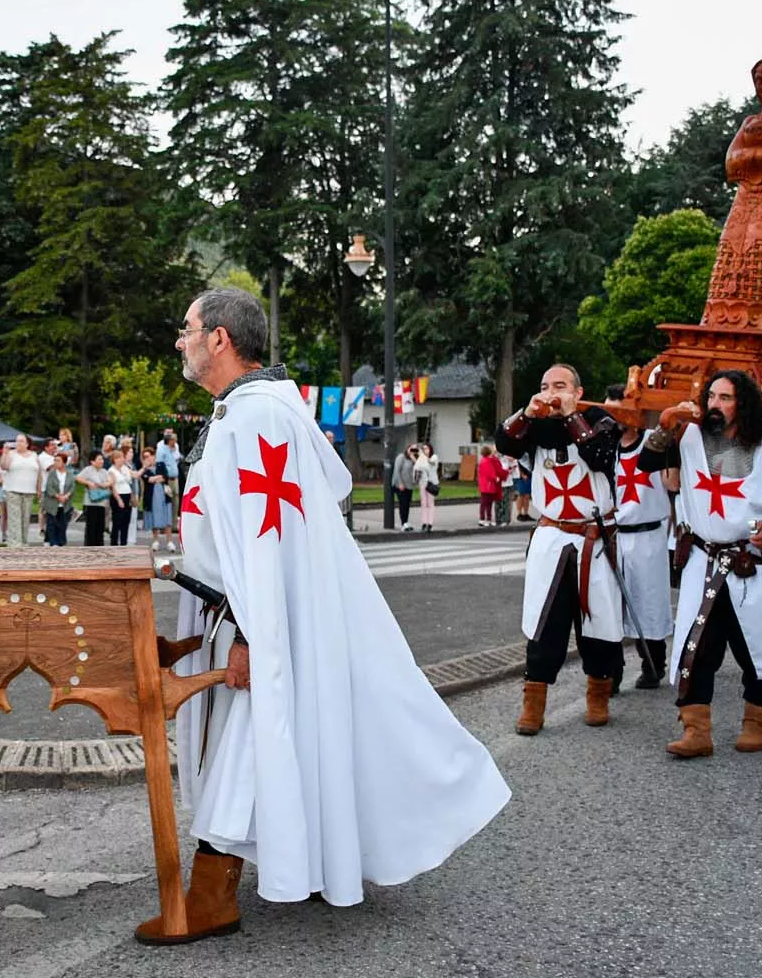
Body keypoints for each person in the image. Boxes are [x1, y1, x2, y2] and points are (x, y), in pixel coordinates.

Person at [151, 287, 508, 944]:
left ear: (221, 339)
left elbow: (263, 545)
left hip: (256, 619)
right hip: (242, 614)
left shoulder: (255, 420)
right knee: (270, 738)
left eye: (189, 328)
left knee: (254, 739)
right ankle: (302, 862)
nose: (182, 339)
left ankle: (212, 893)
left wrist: (255, 638)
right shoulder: (258, 412)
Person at [637, 370, 762, 757]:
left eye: (726, 398)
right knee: (696, 647)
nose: (715, 405)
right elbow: (645, 464)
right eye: (712, 397)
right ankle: (696, 731)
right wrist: (666, 424)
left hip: (749, 563)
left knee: (755, 647)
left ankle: (755, 722)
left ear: (743, 404)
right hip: (703, 560)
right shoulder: (688, 436)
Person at [494, 364, 624, 734]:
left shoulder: (600, 420)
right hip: (552, 537)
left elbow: (600, 457)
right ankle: (534, 702)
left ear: (578, 392)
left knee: (598, 618)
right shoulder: (535, 427)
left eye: (561, 385)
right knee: (545, 621)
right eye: (545, 385)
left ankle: (598, 693)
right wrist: (527, 412)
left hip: (592, 538)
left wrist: (570, 416)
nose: (552, 391)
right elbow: (505, 441)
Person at [604, 385, 674, 690]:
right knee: (610, 604)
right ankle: (612, 673)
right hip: (615, 535)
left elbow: (672, 484)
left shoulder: (653, 443)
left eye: (618, 410)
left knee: (649, 602)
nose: (613, 418)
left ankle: (654, 664)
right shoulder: (605, 448)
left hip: (649, 535)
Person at [0, 434, 41, 547]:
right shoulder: (11, 454)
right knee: (14, 518)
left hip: (29, 491)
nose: (18, 443)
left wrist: (39, 489)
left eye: (21, 441)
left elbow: (39, 473)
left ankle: (23, 541)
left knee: (25, 517)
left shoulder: (34, 455)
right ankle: (14, 543)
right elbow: (4, 466)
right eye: (17, 441)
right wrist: (5, 453)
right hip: (13, 490)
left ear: (27, 444)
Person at [138, 447, 173, 550]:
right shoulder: (144, 469)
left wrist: (156, 478)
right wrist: (157, 478)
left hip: (164, 495)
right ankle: (155, 541)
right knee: (154, 517)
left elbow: (165, 477)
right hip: (152, 496)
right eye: (144, 457)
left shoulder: (161, 465)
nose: (147, 459)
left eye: (148, 456)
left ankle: (170, 541)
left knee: (167, 518)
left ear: (153, 456)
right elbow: (148, 480)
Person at [76, 451, 112, 547]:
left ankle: (99, 545)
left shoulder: (104, 471)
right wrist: (88, 483)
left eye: (102, 459)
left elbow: (110, 481)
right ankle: (89, 545)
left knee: (100, 526)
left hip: (102, 502)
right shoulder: (88, 470)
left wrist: (104, 484)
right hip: (90, 502)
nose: (101, 461)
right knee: (91, 526)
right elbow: (78, 478)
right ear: (92, 461)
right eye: (99, 459)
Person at [41, 451, 75, 546]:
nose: (55, 462)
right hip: (53, 502)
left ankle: (61, 542)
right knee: (52, 523)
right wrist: (58, 496)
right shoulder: (52, 473)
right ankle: (53, 542)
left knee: (62, 523)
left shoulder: (70, 473)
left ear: (64, 462)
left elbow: (72, 487)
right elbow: (49, 487)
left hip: (65, 503)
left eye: (58, 461)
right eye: (55, 460)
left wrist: (66, 496)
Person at [108, 449, 139, 546]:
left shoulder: (125, 468)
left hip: (127, 495)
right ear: (114, 460)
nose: (121, 459)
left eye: (122, 457)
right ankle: (114, 543)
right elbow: (112, 487)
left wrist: (145, 467)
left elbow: (135, 475)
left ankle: (123, 543)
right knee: (117, 522)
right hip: (118, 496)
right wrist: (118, 499)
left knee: (126, 521)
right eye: (118, 458)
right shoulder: (111, 470)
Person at [476, 445, 507, 528]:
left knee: (487, 503)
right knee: (486, 504)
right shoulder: (487, 461)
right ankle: (483, 519)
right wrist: (496, 478)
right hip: (488, 486)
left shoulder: (484, 460)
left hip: (486, 486)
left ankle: (487, 519)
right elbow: (490, 472)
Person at [413, 444, 439, 533]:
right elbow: (417, 467)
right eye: (424, 449)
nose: (425, 450)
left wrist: (422, 456)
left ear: (430, 449)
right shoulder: (421, 458)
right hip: (422, 483)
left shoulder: (434, 457)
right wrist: (412, 456)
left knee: (430, 503)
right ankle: (424, 523)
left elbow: (431, 463)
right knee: (423, 503)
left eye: (427, 448)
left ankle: (430, 524)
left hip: (431, 483)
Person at [392, 444, 418, 531]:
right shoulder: (401, 457)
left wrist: (413, 458)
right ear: (407, 448)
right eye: (411, 448)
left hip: (410, 485)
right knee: (403, 504)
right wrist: (400, 483)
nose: (413, 451)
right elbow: (397, 470)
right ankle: (403, 523)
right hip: (401, 485)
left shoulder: (413, 459)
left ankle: (406, 522)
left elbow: (418, 468)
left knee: (407, 504)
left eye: (415, 449)